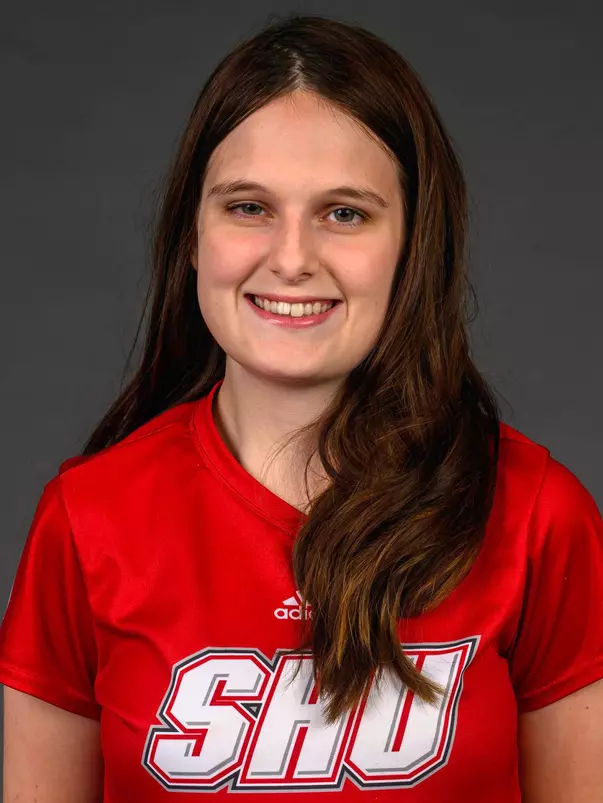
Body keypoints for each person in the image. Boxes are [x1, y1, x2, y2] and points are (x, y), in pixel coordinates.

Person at [1, 12, 602, 803]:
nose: (290, 258)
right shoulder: (86, 519)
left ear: (413, 244)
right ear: (191, 234)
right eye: (247, 207)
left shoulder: (534, 516)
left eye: (344, 212)